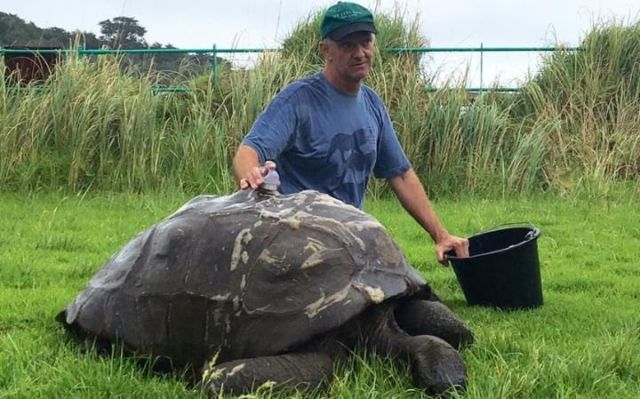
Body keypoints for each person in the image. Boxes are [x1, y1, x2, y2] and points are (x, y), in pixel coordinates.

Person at [233, 1, 469, 264]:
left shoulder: (372, 105)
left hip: (348, 239)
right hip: (296, 240)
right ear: (326, 50)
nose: (360, 53)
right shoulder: (298, 101)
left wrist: (441, 235)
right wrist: (252, 175)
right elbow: (248, 151)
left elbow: (400, 174)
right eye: (348, 45)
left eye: (365, 42)